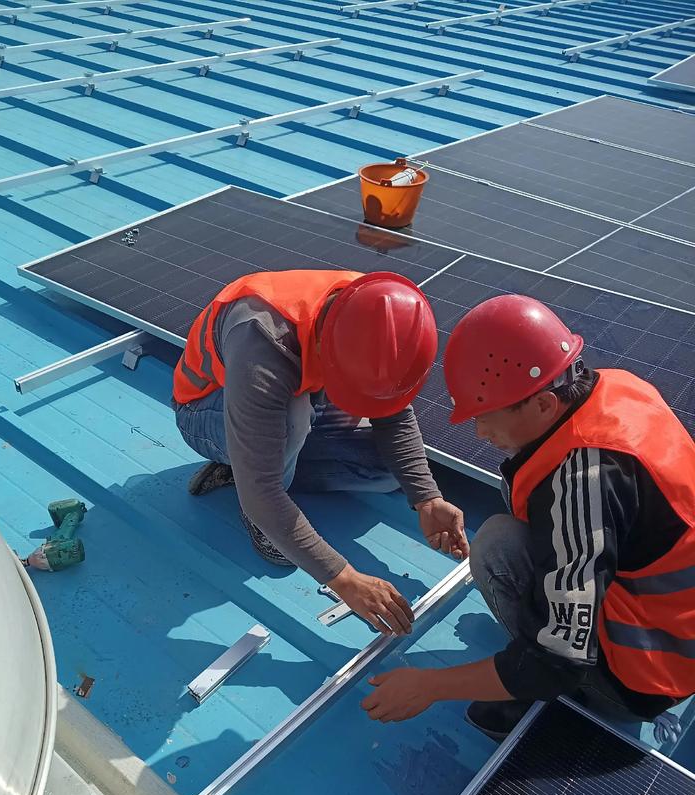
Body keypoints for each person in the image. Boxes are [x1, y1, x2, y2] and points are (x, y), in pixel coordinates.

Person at [362, 294, 695, 739]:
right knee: (523, 486)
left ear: (543, 405)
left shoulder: (582, 484)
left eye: (486, 417)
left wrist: (429, 685)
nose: (479, 432)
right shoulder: (618, 388)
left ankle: (571, 696)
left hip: (648, 676)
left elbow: (557, 661)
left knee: (496, 547)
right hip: (675, 621)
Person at [174, 269, 469, 636]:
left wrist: (427, 498)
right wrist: (345, 579)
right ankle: (251, 489)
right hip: (205, 413)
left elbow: (393, 414)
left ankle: (255, 465)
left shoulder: (378, 310)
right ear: (324, 348)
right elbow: (263, 492)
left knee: (385, 470)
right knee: (291, 421)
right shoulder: (262, 342)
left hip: (287, 403)